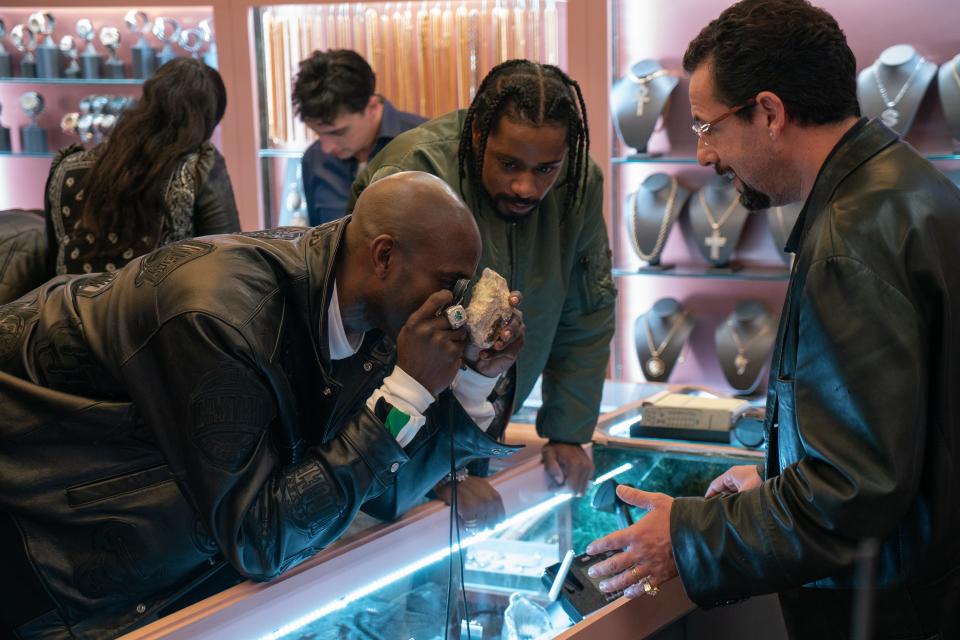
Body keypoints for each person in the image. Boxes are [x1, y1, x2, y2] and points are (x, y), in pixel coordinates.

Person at [0, 171, 525, 639]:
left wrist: (477, 378)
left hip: (165, 556)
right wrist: (408, 392)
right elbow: (260, 537)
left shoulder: (371, 310)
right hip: (43, 542)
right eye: (448, 282)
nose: (456, 304)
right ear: (384, 256)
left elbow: (382, 495)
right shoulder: (220, 317)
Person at [585, 1, 960, 638]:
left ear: (769, 112)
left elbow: (851, 493)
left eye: (707, 127)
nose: (703, 156)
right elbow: (901, 435)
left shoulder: (851, 241)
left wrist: (685, 534)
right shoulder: (906, 191)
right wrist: (779, 470)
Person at [348, 59, 616, 524]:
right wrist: (439, 473)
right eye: (509, 164)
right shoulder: (414, 170)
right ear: (477, 138)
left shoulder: (577, 183)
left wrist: (569, 431)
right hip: (381, 445)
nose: (525, 186)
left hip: (487, 419)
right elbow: (372, 339)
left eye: (545, 169)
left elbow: (586, 310)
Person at [45, 57, 240, 277]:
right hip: (160, 309)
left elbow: (51, 266)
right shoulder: (199, 165)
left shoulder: (66, 166)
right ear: (207, 120)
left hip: (67, 308)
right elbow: (228, 264)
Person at [293, 49, 426, 225]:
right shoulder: (314, 159)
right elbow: (319, 246)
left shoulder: (424, 144)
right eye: (318, 133)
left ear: (371, 107)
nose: (327, 147)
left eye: (337, 132)